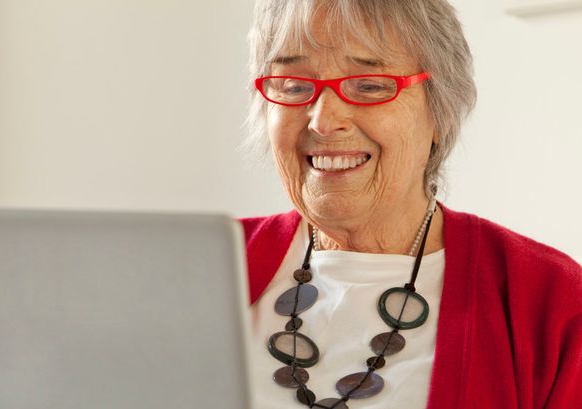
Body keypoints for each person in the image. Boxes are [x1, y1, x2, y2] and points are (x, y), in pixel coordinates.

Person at [240, 1, 582, 408]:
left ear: (439, 110)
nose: (323, 121)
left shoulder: (550, 301)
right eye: (294, 85)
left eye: (368, 85)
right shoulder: (202, 267)